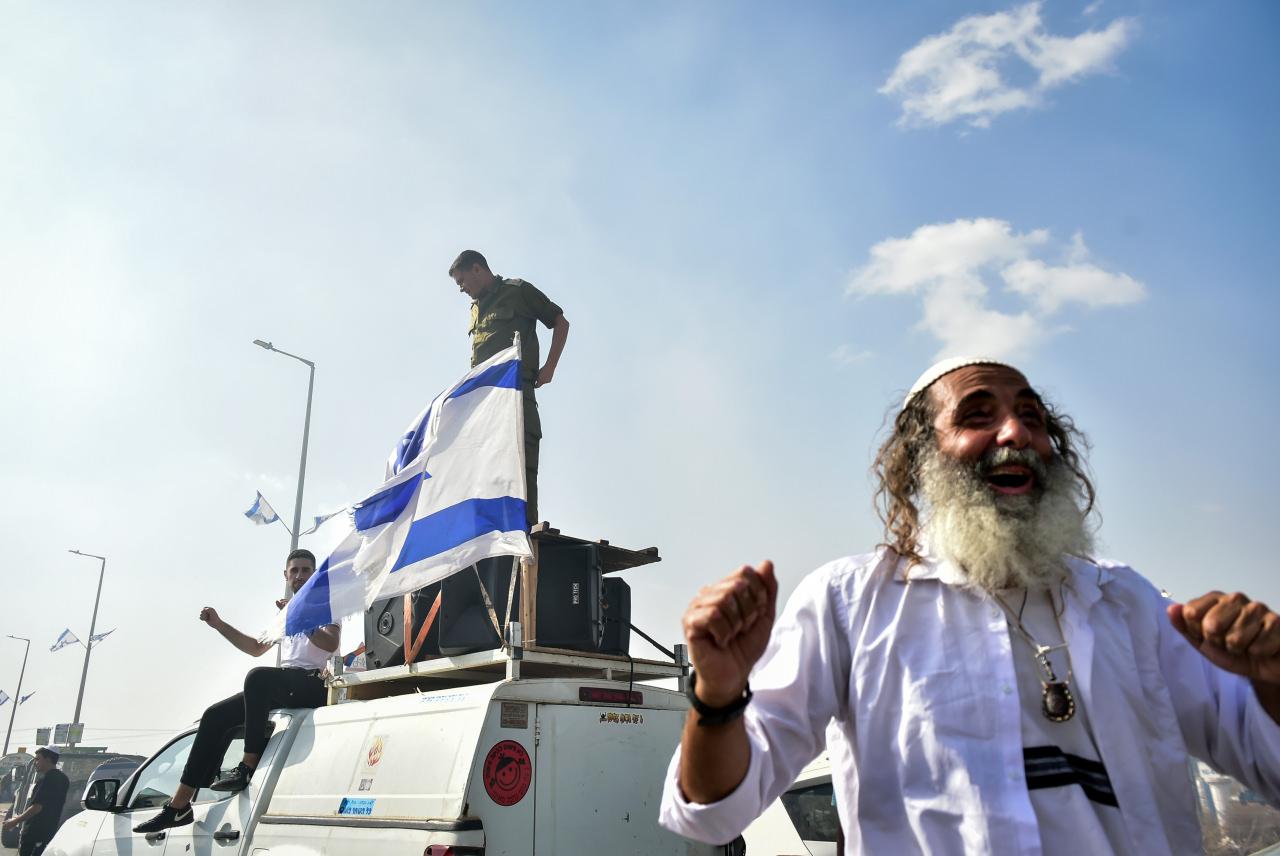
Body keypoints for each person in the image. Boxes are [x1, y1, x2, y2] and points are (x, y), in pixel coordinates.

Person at [660, 356, 1280, 854]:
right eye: (977, 416)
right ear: (919, 461)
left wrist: (1272, 678)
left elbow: (1269, 767)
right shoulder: (851, 604)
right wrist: (717, 695)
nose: (1015, 434)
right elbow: (714, 814)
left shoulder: (1130, 604)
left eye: (1032, 419)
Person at [133, 548, 338, 833]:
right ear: (286, 575)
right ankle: (178, 806)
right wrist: (219, 625)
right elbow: (255, 648)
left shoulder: (324, 605)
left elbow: (330, 643)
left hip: (312, 684)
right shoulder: (284, 613)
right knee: (214, 715)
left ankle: (247, 765)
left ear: (313, 574)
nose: (300, 576)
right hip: (285, 683)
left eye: (306, 570)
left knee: (258, 678)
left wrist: (298, 619)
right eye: (295, 571)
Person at [449, 249, 569, 528]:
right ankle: (493, 530)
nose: (462, 289)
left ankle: (524, 529)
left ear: (478, 269)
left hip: (516, 395)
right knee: (489, 467)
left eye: (462, 281)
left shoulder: (518, 291)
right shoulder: (475, 309)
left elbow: (560, 322)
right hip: (485, 405)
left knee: (521, 461)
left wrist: (549, 368)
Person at [2, 747, 69, 856]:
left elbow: (37, 807)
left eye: (38, 759)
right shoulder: (63, 778)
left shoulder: (48, 779)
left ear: (48, 759)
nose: (35, 763)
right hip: (47, 832)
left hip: (35, 834)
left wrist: (15, 821)